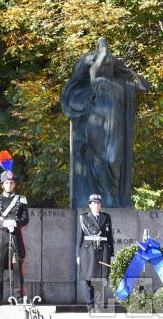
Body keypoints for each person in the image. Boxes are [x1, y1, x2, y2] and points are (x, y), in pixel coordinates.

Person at [60, 37, 151, 208]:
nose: (108, 57)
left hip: (115, 126)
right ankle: (106, 196)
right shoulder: (95, 75)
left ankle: (113, 197)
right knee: (100, 159)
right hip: (96, 122)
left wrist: (130, 72)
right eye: (105, 57)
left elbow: (145, 87)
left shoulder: (121, 83)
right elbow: (102, 55)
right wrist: (102, 43)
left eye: (111, 57)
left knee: (114, 160)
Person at [0, 151, 29, 305]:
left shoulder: (21, 200)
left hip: (16, 235)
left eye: (11, 183)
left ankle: (19, 298)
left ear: (14, 184)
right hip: (2, 234)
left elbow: (25, 218)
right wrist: (3, 223)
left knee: (17, 268)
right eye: (7, 183)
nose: (9, 185)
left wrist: (15, 223)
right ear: (2, 184)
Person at [76, 194, 114, 312]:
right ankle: (90, 306)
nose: (96, 205)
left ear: (100, 205)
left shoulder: (106, 218)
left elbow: (110, 237)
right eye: (94, 203)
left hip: (103, 251)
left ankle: (98, 305)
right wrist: (78, 255)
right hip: (88, 252)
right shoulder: (84, 218)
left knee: (101, 280)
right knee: (89, 280)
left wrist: (112, 254)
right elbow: (79, 238)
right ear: (90, 205)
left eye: (98, 203)